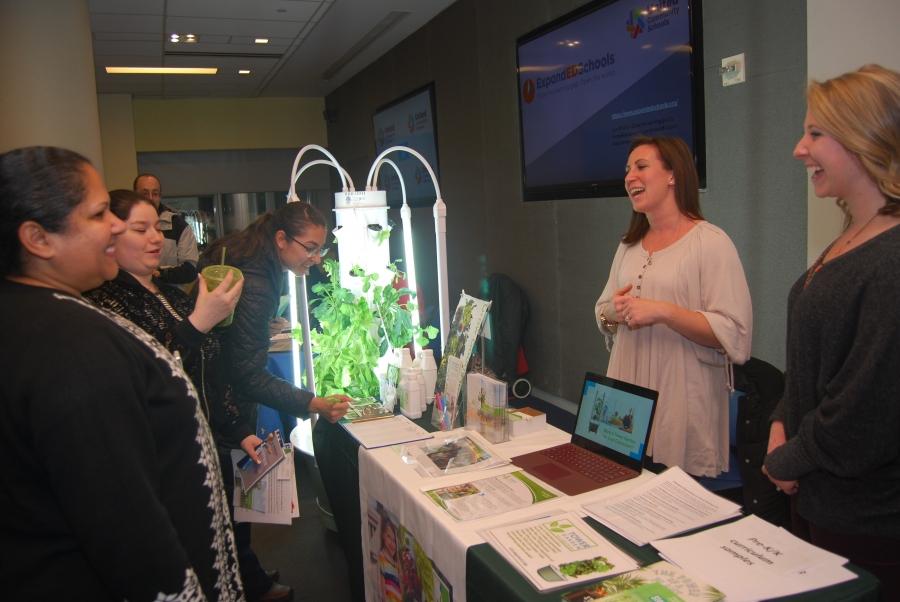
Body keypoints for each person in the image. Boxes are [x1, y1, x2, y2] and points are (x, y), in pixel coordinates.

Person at [0, 146, 243, 600]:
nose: (113, 225)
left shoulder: (42, 316)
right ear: (38, 238)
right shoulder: (68, 344)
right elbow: (123, 524)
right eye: (98, 215)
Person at [83, 190, 297, 599]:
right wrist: (201, 321)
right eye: (140, 229)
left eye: (157, 229)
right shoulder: (108, 304)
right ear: (110, 236)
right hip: (165, 461)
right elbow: (153, 374)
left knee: (221, 542)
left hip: (204, 445)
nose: (155, 240)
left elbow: (205, 374)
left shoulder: (162, 293)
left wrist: (235, 428)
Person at [763, 64, 900, 599]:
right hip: (819, 498)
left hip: (868, 518)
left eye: (816, 133)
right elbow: (817, 366)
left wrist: (784, 459)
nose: (799, 149)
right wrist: (780, 420)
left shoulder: (891, 260)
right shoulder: (856, 234)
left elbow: (865, 410)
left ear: (865, 137)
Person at [199, 201, 351, 600]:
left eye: (322, 249)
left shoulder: (240, 252)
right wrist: (314, 403)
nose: (316, 259)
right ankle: (246, 583)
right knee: (234, 504)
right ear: (281, 239)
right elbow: (247, 375)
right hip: (225, 407)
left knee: (230, 506)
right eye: (310, 248)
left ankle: (246, 573)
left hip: (212, 396)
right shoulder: (259, 281)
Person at [595, 135, 752, 478]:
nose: (629, 177)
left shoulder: (710, 243)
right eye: (627, 170)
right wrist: (615, 313)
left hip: (681, 397)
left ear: (672, 175)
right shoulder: (629, 246)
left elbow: (734, 333)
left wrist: (664, 312)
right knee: (619, 499)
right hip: (626, 391)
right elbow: (603, 310)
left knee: (673, 510)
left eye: (641, 166)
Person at [134, 172, 200, 284]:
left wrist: (159, 273)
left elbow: (191, 271)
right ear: (134, 195)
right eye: (144, 194)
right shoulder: (124, 224)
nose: (150, 198)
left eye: (155, 193)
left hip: (169, 292)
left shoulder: (177, 225)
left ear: (160, 196)